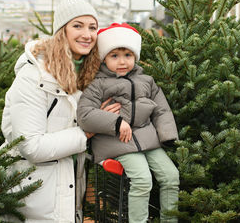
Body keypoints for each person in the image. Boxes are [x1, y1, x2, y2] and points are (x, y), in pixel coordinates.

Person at [0, 0, 110, 222]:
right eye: (77, 26)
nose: (87, 34)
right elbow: (30, 146)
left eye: (93, 27)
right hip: (35, 194)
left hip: (68, 188)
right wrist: (87, 132)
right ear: (62, 31)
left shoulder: (87, 75)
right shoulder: (34, 77)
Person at [77, 23, 180, 223]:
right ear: (104, 58)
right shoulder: (97, 84)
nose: (122, 61)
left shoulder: (147, 81)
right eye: (114, 56)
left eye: (128, 55)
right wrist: (116, 122)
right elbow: (85, 114)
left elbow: (162, 109)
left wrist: (167, 135)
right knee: (142, 180)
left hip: (147, 139)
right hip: (117, 142)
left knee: (171, 176)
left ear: (135, 57)